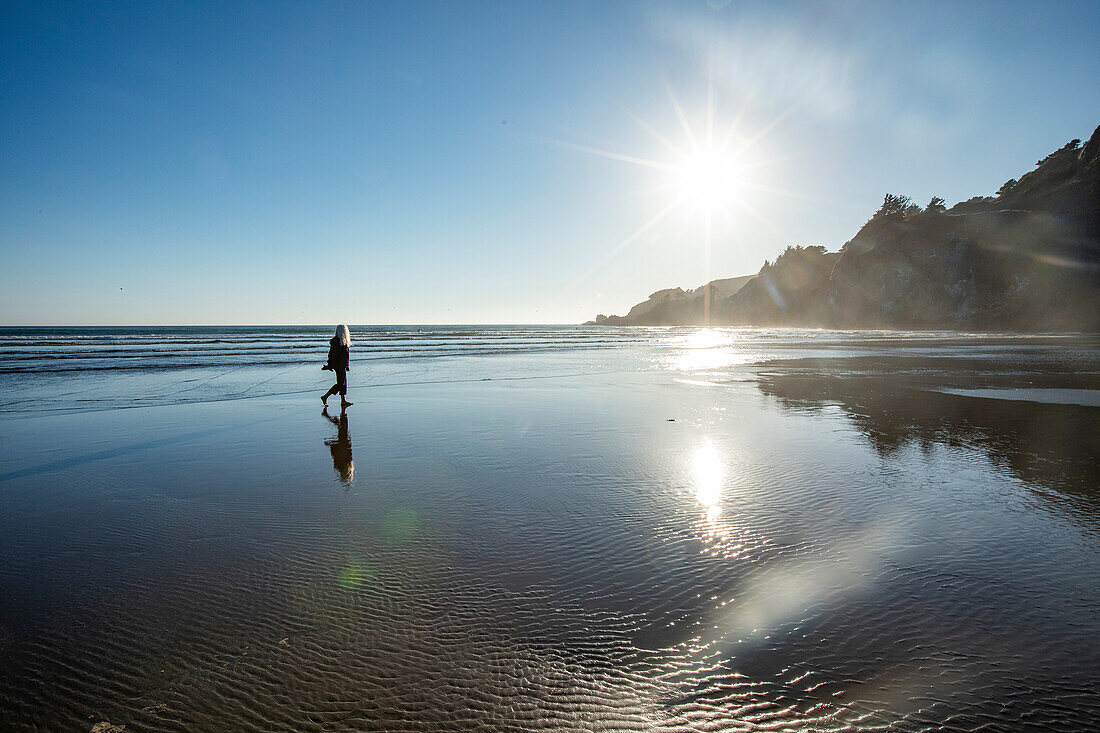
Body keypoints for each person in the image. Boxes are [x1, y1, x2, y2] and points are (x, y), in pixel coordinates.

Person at [322, 324, 353, 409]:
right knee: (340, 384)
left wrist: (346, 365)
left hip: (341, 365)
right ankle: (325, 396)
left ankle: (343, 401)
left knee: (343, 383)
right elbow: (334, 355)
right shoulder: (339, 342)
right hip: (339, 365)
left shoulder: (340, 341)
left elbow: (332, 354)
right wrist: (330, 365)